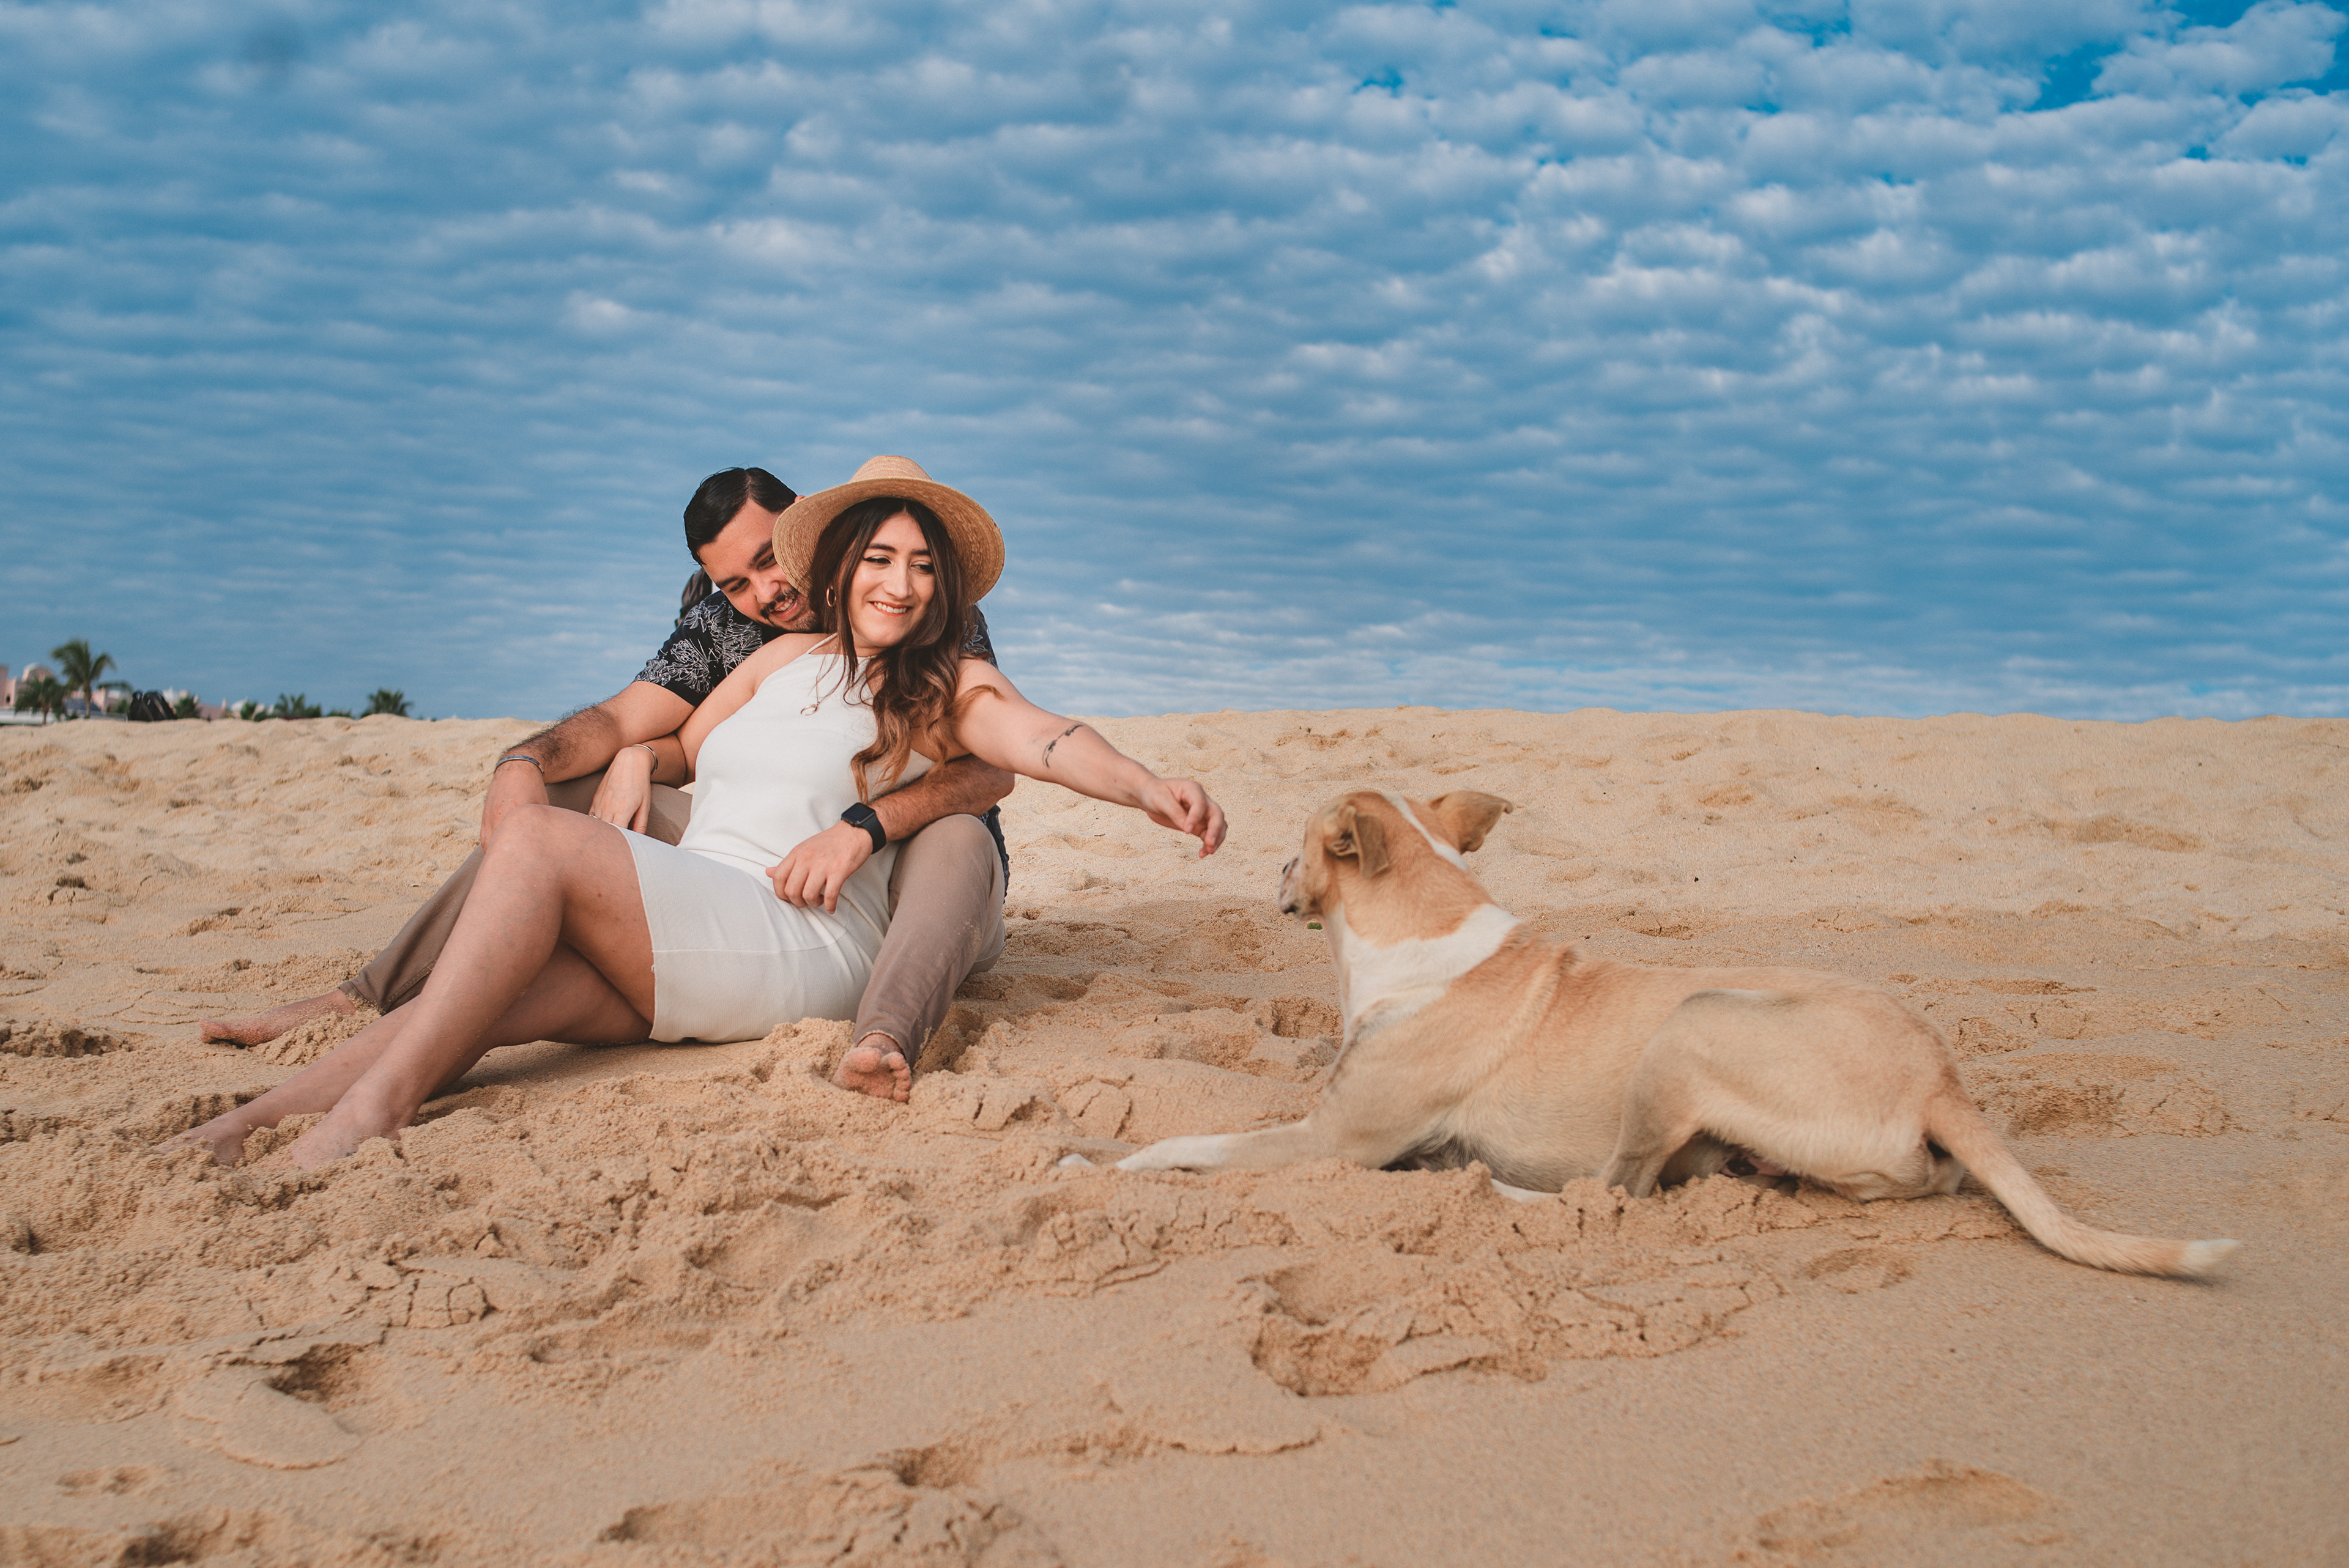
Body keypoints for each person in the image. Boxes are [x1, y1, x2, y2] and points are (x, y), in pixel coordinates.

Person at [165, 457, 1226, 1169]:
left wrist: (1145, 785)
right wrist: (630, 755)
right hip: (705, 905)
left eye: (920, 566)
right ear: (842, 565)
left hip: (798, 931)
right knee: (490, 994)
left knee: (540, 840)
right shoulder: (775, 657)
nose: (899, 585)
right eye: (879, 559)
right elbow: (679, 745)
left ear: (944, 586)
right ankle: (263, 1118)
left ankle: (377, 1109)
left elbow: (1044, 742)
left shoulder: (948, 683)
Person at [199, 465, 1015, 1101]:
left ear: (807, 528)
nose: (764, 593)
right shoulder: (729, 627)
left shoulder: (907, 595)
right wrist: (529, 763)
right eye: (735, 582)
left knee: (954, 831)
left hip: (909, 874)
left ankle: (884, 1034)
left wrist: (869, 825)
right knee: (566, 801)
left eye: (769, 560)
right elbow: (626, 719)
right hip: (760, 864)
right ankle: (370, 996)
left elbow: (987, 761)